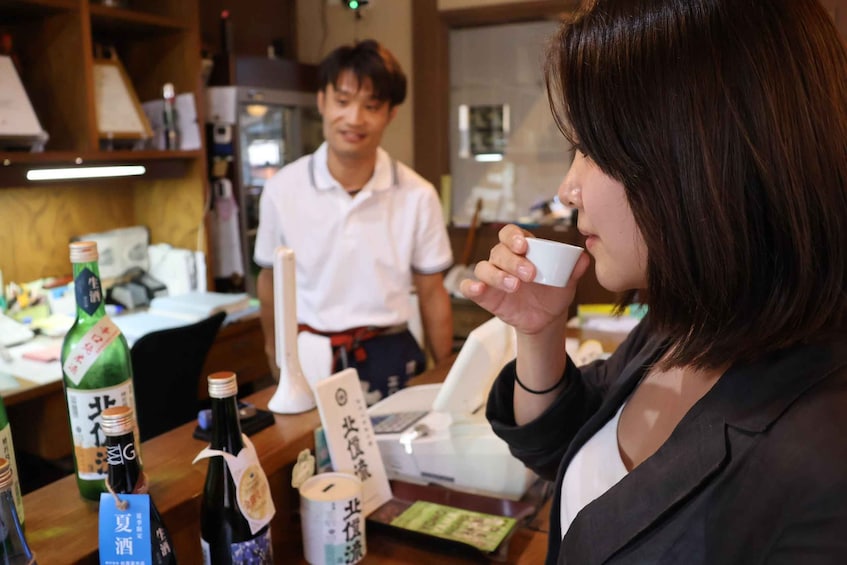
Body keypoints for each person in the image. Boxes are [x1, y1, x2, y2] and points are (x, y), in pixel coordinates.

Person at [461, 0, 847, 562]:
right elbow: (564, 446)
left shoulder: (821, 462)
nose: (569, 190)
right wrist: (539, 331)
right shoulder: (686, 323)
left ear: (704, 152)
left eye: (594, 149)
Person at [254, 39, 453, 404]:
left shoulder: (417, 193)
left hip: (392, 351)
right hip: (311, 354)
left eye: (372, 106)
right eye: (342, 101)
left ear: (391, 113)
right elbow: (268, 281)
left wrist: (445, 372)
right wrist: (274, 351)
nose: (355, 118)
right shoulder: (282, 190)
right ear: (322, 101)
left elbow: (432, 291)